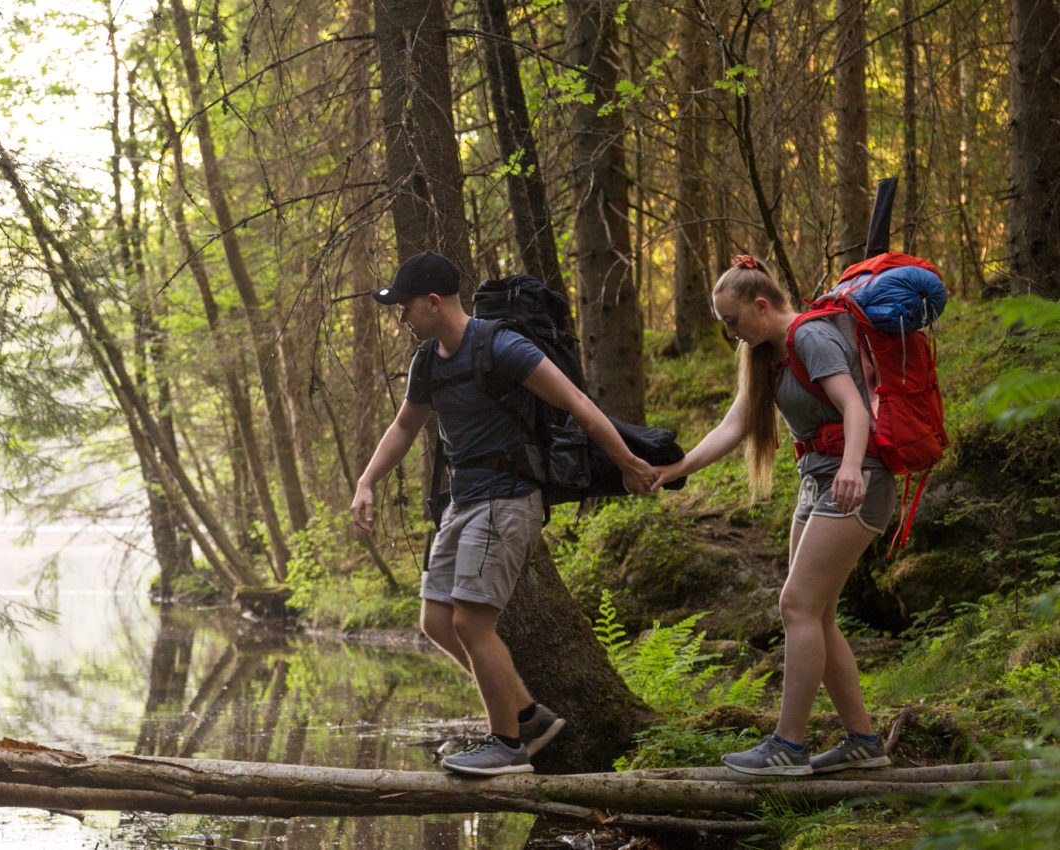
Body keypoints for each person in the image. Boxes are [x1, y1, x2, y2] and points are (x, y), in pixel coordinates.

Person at [349, 252, 659, 776]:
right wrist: (367, 481)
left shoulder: (501, 346)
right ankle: (528, 718)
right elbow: (405, 426)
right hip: (462, 501)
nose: (401, 316)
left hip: (507, 499)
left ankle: (508, 745)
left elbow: (577, 403)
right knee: (437, 620)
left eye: (405, 306)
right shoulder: (428, 361)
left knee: (471, 620)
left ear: (432, 302)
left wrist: (626, 462)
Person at [651, 255, 894, 776]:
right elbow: (734, 425)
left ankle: (789, 745)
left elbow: (855, 407)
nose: (731, 333)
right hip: (816, 483)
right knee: (817, 616)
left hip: (857, 480)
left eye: (732, 321)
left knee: (796, 606)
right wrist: (677, 470)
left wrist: (852, 467)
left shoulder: (811, 338)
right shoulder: (766, 356)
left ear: (762, 306)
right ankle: (864, 742)